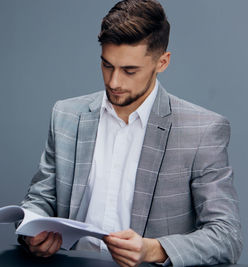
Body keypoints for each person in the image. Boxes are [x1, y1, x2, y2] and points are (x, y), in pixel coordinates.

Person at [17, 0, 242, 266]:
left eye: (130, 70)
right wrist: (31, 231)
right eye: (107, 65)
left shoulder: (202, 131)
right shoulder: (66, 115)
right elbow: (40, 198)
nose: (114, 82)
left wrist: (154, 250)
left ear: (162, 62)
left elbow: (227, 236)